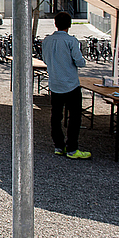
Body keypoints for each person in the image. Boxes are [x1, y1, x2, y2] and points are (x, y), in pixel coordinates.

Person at [42, 11, 89, 159]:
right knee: (74, 117)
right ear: (70, 25)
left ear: (55, 24)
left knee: (55, 117)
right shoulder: (71, 41)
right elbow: (79, 61)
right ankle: (72, 148)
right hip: (71, 84)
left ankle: (58, 146)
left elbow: (45, 59)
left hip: (55, 83)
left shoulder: (47, 41)